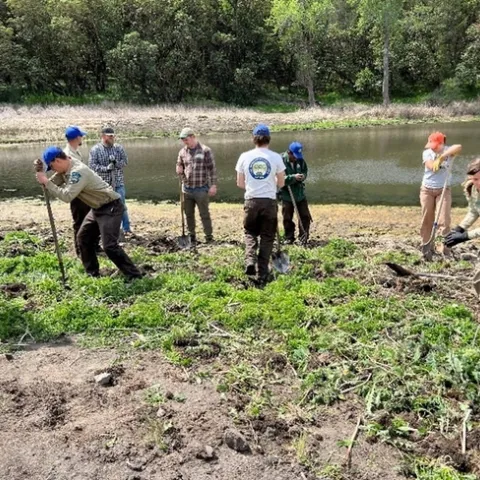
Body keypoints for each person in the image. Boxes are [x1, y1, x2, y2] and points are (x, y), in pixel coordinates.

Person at [35, 146, 143, 281]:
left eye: (52, 167)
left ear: (57, 160)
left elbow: (67, 196)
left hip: (110, 207)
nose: (54, 171)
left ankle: (134, 275)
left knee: (109, 246)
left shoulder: (78, 172)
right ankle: (93, 274)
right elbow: (53, 183)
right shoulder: (66, 166)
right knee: (83, 238)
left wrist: (46, 182)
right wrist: (42, 179)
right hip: (97, 208)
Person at [235, 124, 286, 285]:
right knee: (267, 237)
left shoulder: (244, 156)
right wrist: (270, 183)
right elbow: (281, 183)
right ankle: (262, 273)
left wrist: (254, 186)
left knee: (250, 232)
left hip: (251, 200)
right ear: (268, 139)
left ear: (254, 139)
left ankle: (250, 261)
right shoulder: (276, 157)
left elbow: (240, 183)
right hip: (269, 202)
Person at [420, 131, 462, 256]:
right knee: (427, 220)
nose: (431, 148)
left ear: (441, 144)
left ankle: (444, 250)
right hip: (427, 190)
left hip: (444, 190)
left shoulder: (448, 150)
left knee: (444, 220)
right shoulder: (427, 153)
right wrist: (437, 161)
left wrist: (443, 156)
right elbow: (432, 166)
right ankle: (426, 246)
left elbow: (458, 147)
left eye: (434, 145)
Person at [176, 127, 217, 244]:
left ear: (193, 137)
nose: (184, 141)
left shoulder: (205, 150)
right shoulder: (182, 152)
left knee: (204, 214)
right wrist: (178, 168)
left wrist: (213, 185)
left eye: (186, 139)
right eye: (182, 139)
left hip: (201, 188)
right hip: (186, 189)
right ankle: (191, 236)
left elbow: (212, 169)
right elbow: (179, 164)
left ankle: (209, 237)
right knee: (188, 214)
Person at [89, 127, 132, 236]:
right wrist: (106, 168)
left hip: (118, 182)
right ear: (103, 136)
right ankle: (106, 229)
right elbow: (92, 166)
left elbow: (125, 162)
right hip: (103, 184)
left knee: (121, 205)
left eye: (113, 135)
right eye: (110, 136)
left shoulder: (118, 148)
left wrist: (116, 163)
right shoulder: (95, 149)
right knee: (104, 207)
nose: (113, 138)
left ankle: (126, 228)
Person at [63, 125, 89, 256]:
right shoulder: (67, 154)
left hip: (83, 192)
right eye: (81, 136)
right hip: (76, 193)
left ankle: (90, 246)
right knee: (79, 222)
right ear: (76, 138)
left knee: (88, 220)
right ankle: (80, 250)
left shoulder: (76, 152)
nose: (82, 138)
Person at [279, 141, 312, 244]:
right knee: (287, 217)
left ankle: (303, 237)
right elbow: (278, 178)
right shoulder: (280, 161)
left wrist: (302, 176)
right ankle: (289, 237)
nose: (296, 158)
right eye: (295, 156)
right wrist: (292, 178)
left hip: (299, 193)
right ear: (289, 152)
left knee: (305, 216)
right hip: (287, 194)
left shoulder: (300, 160)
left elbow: (305, 171)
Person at [444, 158, 480, 249]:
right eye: (475, 179)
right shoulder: (472, 189)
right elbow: (474, 211)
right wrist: (460, 228)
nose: (478, 183)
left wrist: (465, 236)